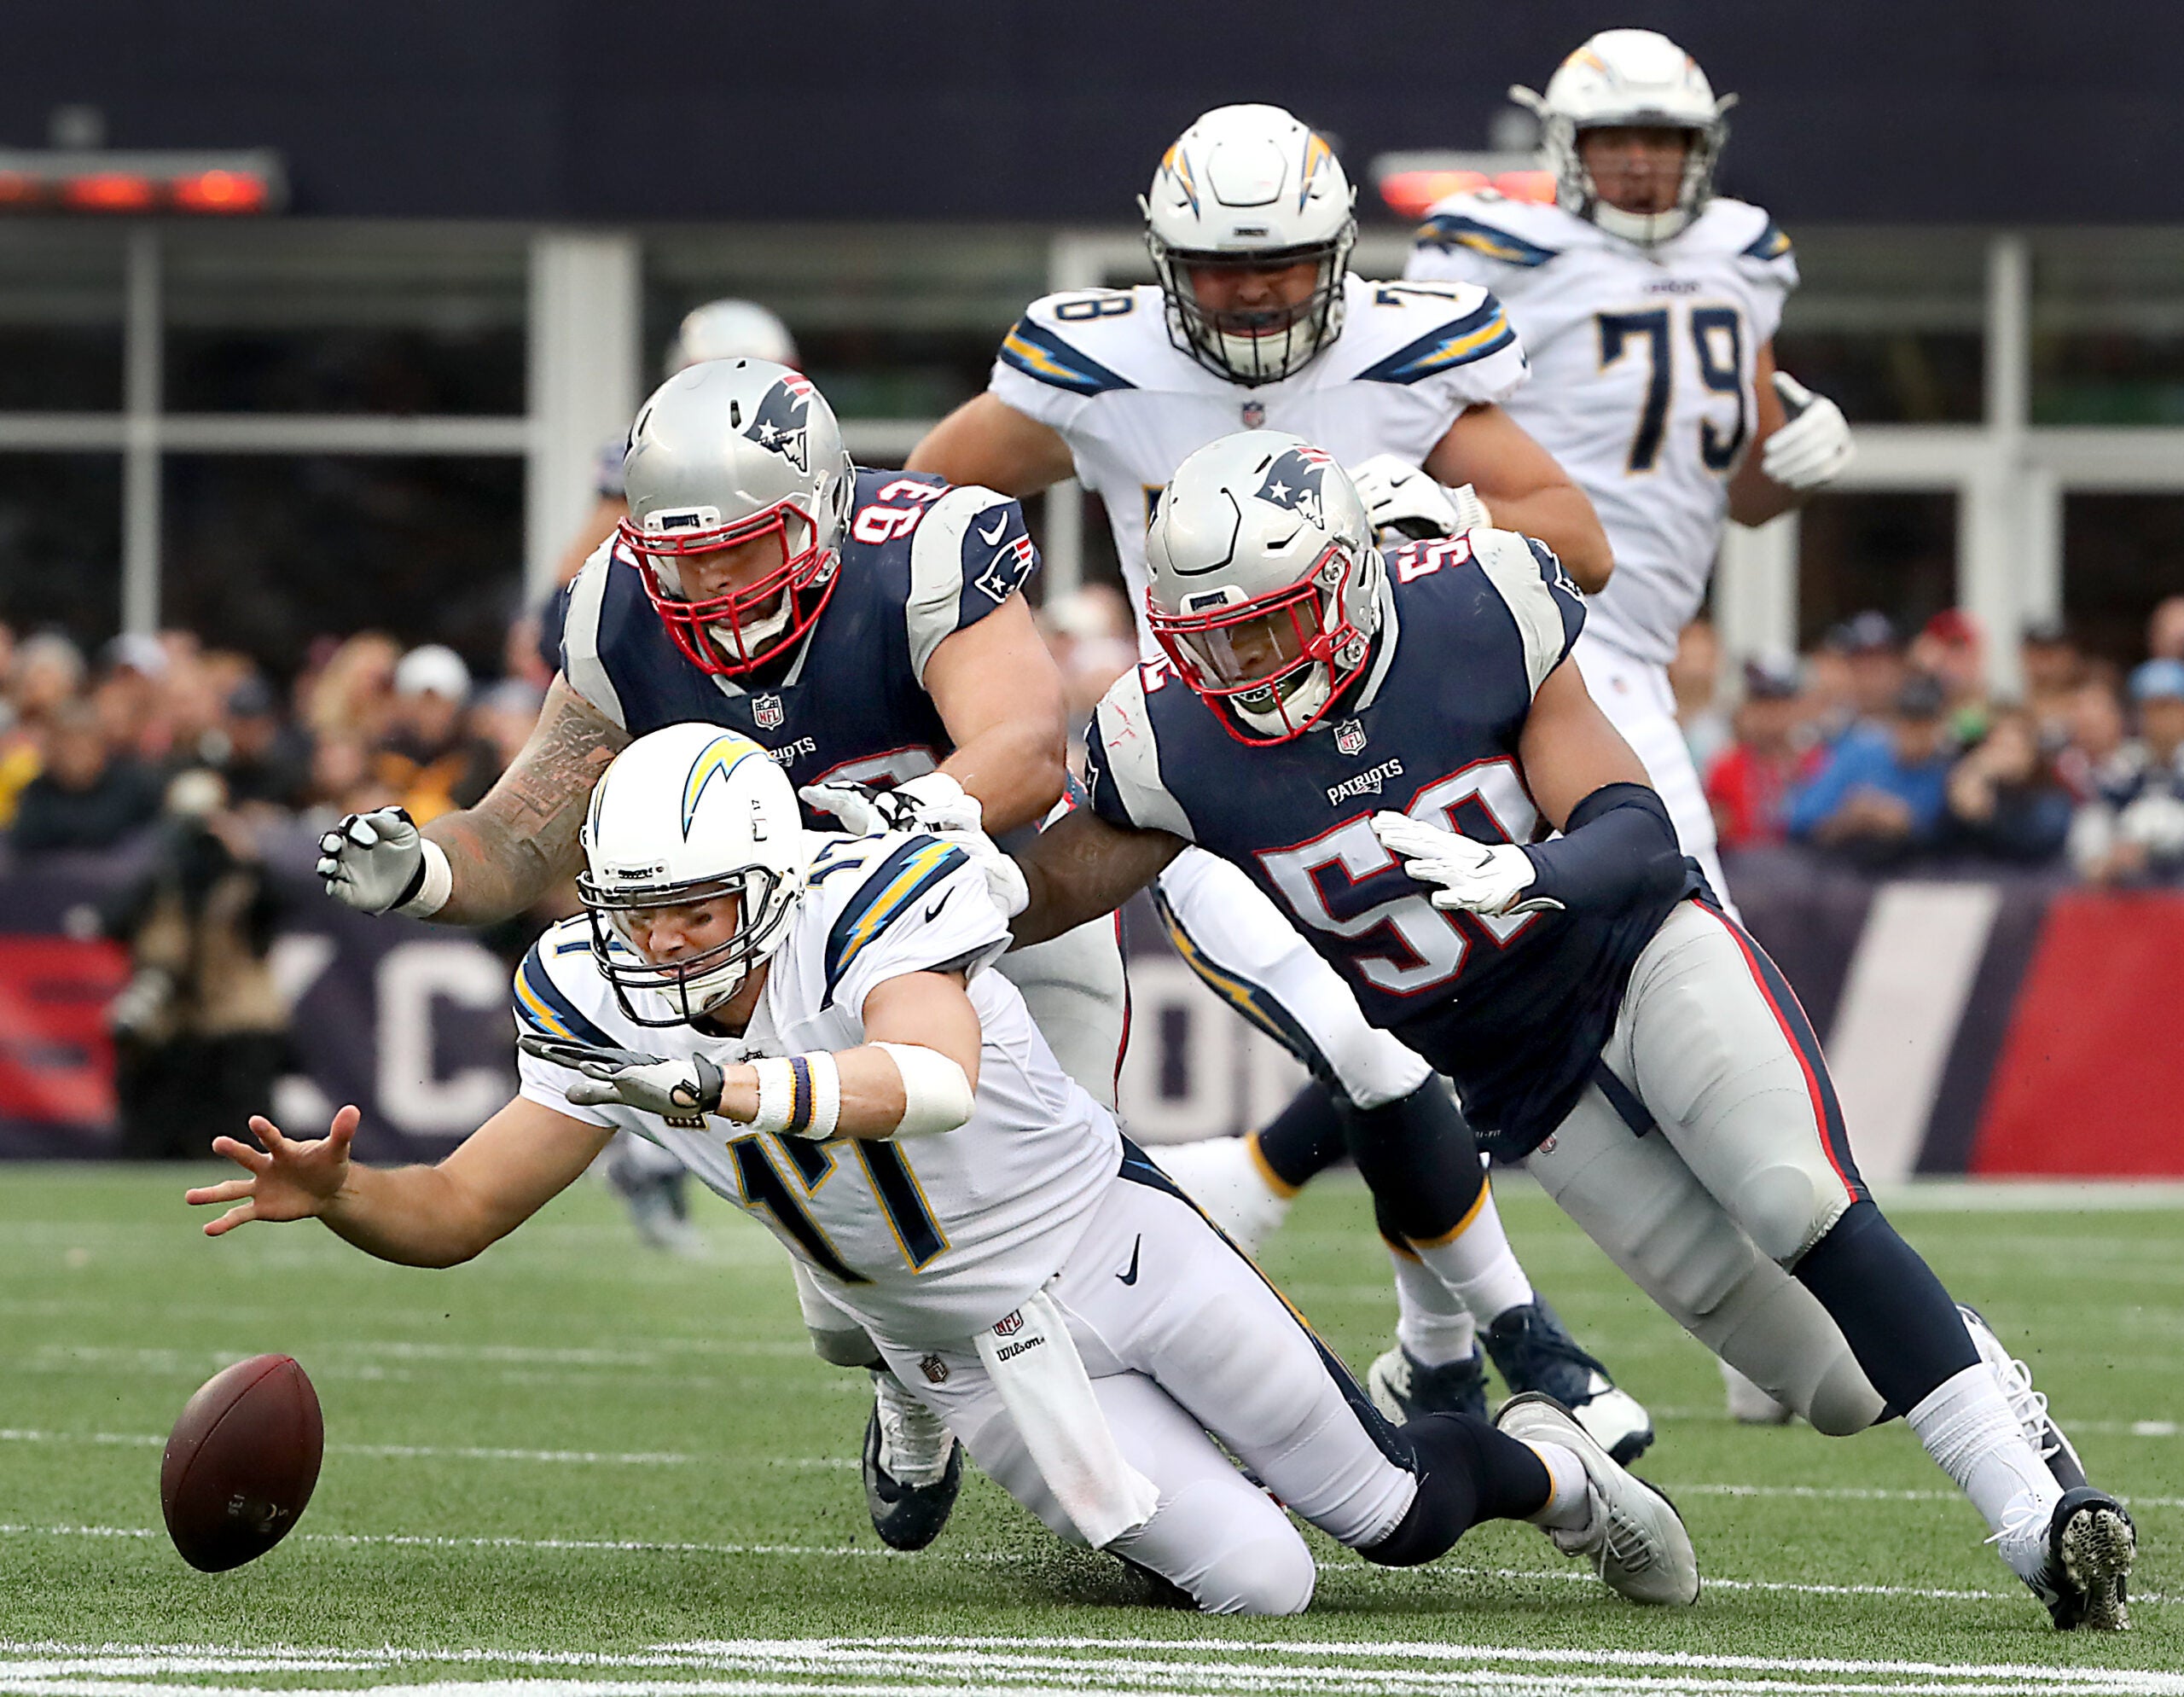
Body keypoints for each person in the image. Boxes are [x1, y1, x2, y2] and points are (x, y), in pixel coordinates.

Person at [190, 723, 1699, 1617]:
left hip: (1114, 1241)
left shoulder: (866, 897)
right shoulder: (592, 993)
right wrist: (348, 1197)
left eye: (700, 907)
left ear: (775, 875)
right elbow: (458, 1210)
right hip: (972, 1348)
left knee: (1387, 1513)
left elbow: (928, 1077)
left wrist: (725, 1077)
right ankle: (1084, 1483)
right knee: (1265, 1584)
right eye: (641, 909)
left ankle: (1553, 1467)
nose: (663, 943)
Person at [1006, 433, 2133, 1630]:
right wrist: (901, 894)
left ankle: (2039, 1516)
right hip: (1521, 1075)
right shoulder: (1173, 738)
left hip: (1638, 952)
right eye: (1212, 639)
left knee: (1796, 1198)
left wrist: (1529, 868)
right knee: (1839, 1383)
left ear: (1345, 582)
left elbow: (1635, 830)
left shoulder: (1480, 614)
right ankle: (1977, 1374)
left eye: (1269, 628)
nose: (1240, 665)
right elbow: (1048, 891)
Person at [908, 101, 1647, 1456]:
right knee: (1376, 1050)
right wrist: (1006, 674)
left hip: (1400, 777)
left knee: (1417, 1053)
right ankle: (1523, 1335)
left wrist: (1452, 516)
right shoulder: (1097, 366)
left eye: (1286, 261)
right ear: (1162, 258)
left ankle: (1433, 1359)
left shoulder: (1408, 351)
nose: (1253, 291)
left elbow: (1577, 542)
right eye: (1222, 265)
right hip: (1211, 790)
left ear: (1342, 250)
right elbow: (928, 520)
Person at [311, 358, 1126, 1551]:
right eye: (681, 554)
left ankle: (1160, 1477)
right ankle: (906, 1379)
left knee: (1082, 1235)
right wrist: (427, 871)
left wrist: (913, 821)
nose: (706, 581)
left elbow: (1023, 748)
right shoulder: (618, 614)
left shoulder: (923, 556)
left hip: (1000, 928)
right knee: (863, 1292)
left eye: (740, 549)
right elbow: (520, 826)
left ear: (823, 512)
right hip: (800, 980)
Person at [1786, 672, 1955, 861]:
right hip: (1843, 872)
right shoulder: (1858, 753)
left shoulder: (1946, 770)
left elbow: (1951, 844)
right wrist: (1852, 818)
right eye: (1909, 722)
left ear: (1940, 725)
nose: (1915, 734)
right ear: (1894, 721)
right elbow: (1800, 823)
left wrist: (1907, 824)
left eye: (1925, 724)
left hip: (1917, 877)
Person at [2068, 657, 2184, 885]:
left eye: (2169, 707)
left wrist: (2156, 851)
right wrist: (2102, 859)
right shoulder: (2121, 769)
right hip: (2134, 891)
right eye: (2150, 708)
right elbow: (2094, 821)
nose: (2160, 719)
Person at [9, 699, 162, 854]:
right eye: (67, 745)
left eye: (84, 745)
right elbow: (25, 842)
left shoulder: (134, 786)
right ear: (52, 750)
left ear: (101, 747)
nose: (76, 755)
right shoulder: (37, 791)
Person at [1704, 654, 1818, 851]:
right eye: (1761, 702)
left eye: (1779, 704)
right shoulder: (1726, 767)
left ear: (1798, 708)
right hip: (1742, 872)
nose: (1770, 714)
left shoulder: (1817, 763)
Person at [1942, 708, 2071, 863]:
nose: (2001, 756)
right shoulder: (1974, 782)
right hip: (1976, 877)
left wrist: (1989, 816)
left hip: (2035, 879)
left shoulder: (2050, 793)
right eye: (1996, 746)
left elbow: (2036, 840)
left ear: (2031, 753)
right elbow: (1943, 838)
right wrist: (1967, 777)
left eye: (2011, 747)